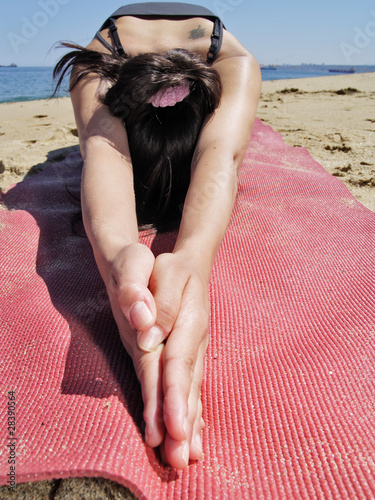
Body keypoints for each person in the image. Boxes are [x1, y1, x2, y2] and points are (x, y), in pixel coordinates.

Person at [53, 2, 261, 469]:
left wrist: (193, 263)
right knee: (96, 135)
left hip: (198, 60)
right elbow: (105, 156)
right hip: (118, 57)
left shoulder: (235, 62)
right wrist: (117, 262)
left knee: (235, 132)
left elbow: (220, 155)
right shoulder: (97, 62)